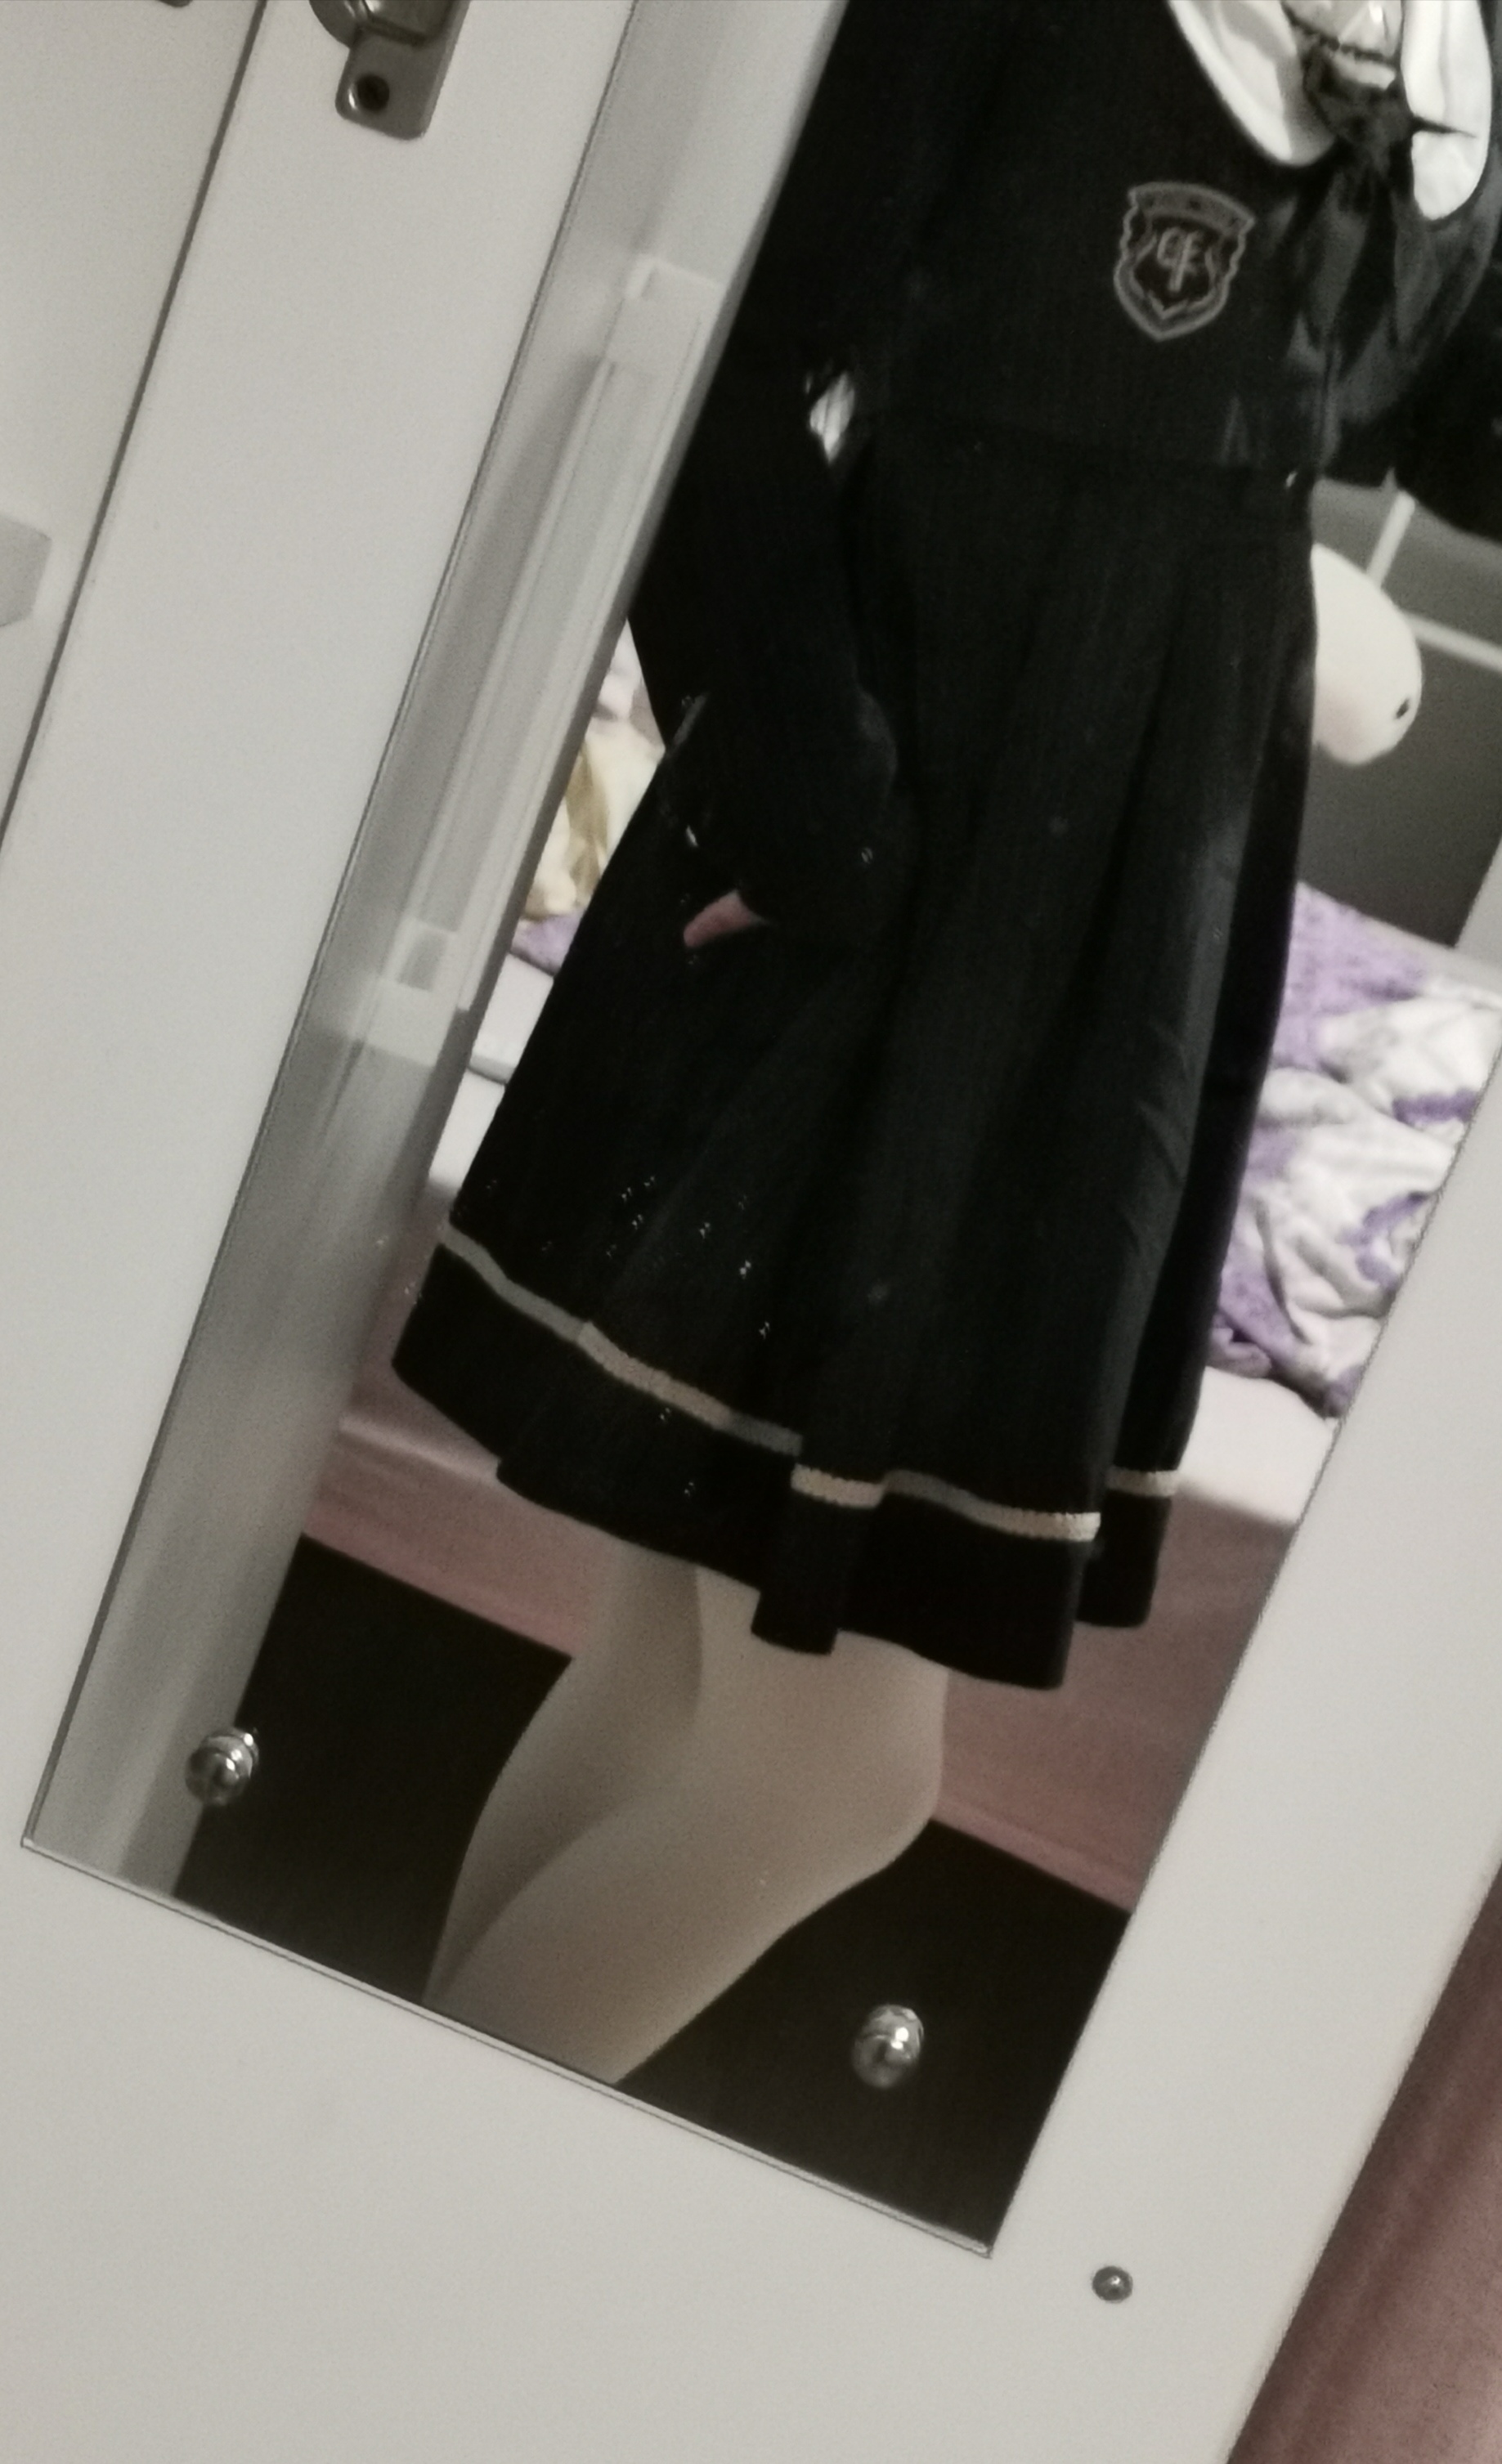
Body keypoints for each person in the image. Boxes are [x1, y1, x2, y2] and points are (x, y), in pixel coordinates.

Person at [396, 0, 1502, 2081]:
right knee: (832, 1775)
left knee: (672, 1683)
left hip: (1122, 917)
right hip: (908, 853)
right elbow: (731, 363)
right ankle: (336, 2216)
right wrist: (812, 812)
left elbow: (1451, 424)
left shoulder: (1442, 38)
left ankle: (323, 2194)